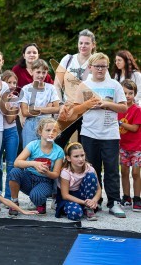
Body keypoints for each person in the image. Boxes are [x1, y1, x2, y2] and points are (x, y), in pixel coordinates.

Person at [63, 53, 128, 218]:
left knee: (112, 170)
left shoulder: (114, 85)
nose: (100, 69)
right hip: (89, 133)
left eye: (104, 66)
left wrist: (106, 104)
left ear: (107, 67)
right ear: (90, 67)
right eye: (97, 66)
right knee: (92, 169)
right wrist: (88, 104)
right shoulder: (84, 85)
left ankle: (114, 202)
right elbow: (75, 111)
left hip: (110, 134)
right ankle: (94, 202)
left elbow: (123, 108)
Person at [8, 117, 64, 215]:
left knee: (36, 196)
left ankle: (40, 201)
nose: (51, 133)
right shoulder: (33, 145)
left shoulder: (59, 151)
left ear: (58, 133)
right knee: (14, 172)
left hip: (45, 180)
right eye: (48, 130)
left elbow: (55, 174)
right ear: (40, 131)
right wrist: (34, 163)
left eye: (54, 131)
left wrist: (47, 172)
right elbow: (17, 162)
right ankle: (14, 202)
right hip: (29, 177)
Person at [54, 29, 96, 149]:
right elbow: (56, 85)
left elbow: (102, 88)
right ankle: (55, 168)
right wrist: (61, 104)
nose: (83, 46)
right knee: (56, 143)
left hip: (88, 112)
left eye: (87, 43)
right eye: (81, 43)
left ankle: (84, 168)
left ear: (93, 45)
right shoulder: (68, 59)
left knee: (84, 149)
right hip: (68, 110)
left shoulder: (97, 62)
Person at [55, 143, 101, 221]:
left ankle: (88, 208)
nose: (80, 159)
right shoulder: (66, 172)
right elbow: (65, 195)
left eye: (82, 155)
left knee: (91, 176)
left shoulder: (89, 168)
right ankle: (80, 207)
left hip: (84, 195)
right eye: (76, 156)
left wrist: (93, 201)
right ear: (68, 158)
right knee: (76, 214)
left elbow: (99, 189)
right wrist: (84, 202)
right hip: (69, 198)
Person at [20, 59, 60, 148]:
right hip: (31, 125)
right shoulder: (26, 89)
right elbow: (25, 112)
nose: (41, 75)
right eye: (38, 72)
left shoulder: (51, 88)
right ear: (31, 72)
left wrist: (36, 108)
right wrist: (48, 109)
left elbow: (57, 109)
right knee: (30, 152)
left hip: (47, 124)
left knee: (47, 152)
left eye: (44, 72)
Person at [117, 80, 141, 211]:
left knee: (136, 173)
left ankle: (137, 198)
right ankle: (126, 196)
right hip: (123, 146)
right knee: (124, 172)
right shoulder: (118, 108)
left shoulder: (137, 110)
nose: (127, 96)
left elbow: (134, 128)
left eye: (130, 93)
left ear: (135, 94)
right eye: (124, 93)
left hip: (137, 147)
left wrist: (119, 123)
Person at [0, 70, 20, 198]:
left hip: (11, 132)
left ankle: (9, 196)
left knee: (11, 164)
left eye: (14, 82)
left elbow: (10, 119)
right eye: (9, 82)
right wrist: (5, 102)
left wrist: (7, 103)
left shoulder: (16, 99)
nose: (12, 85)